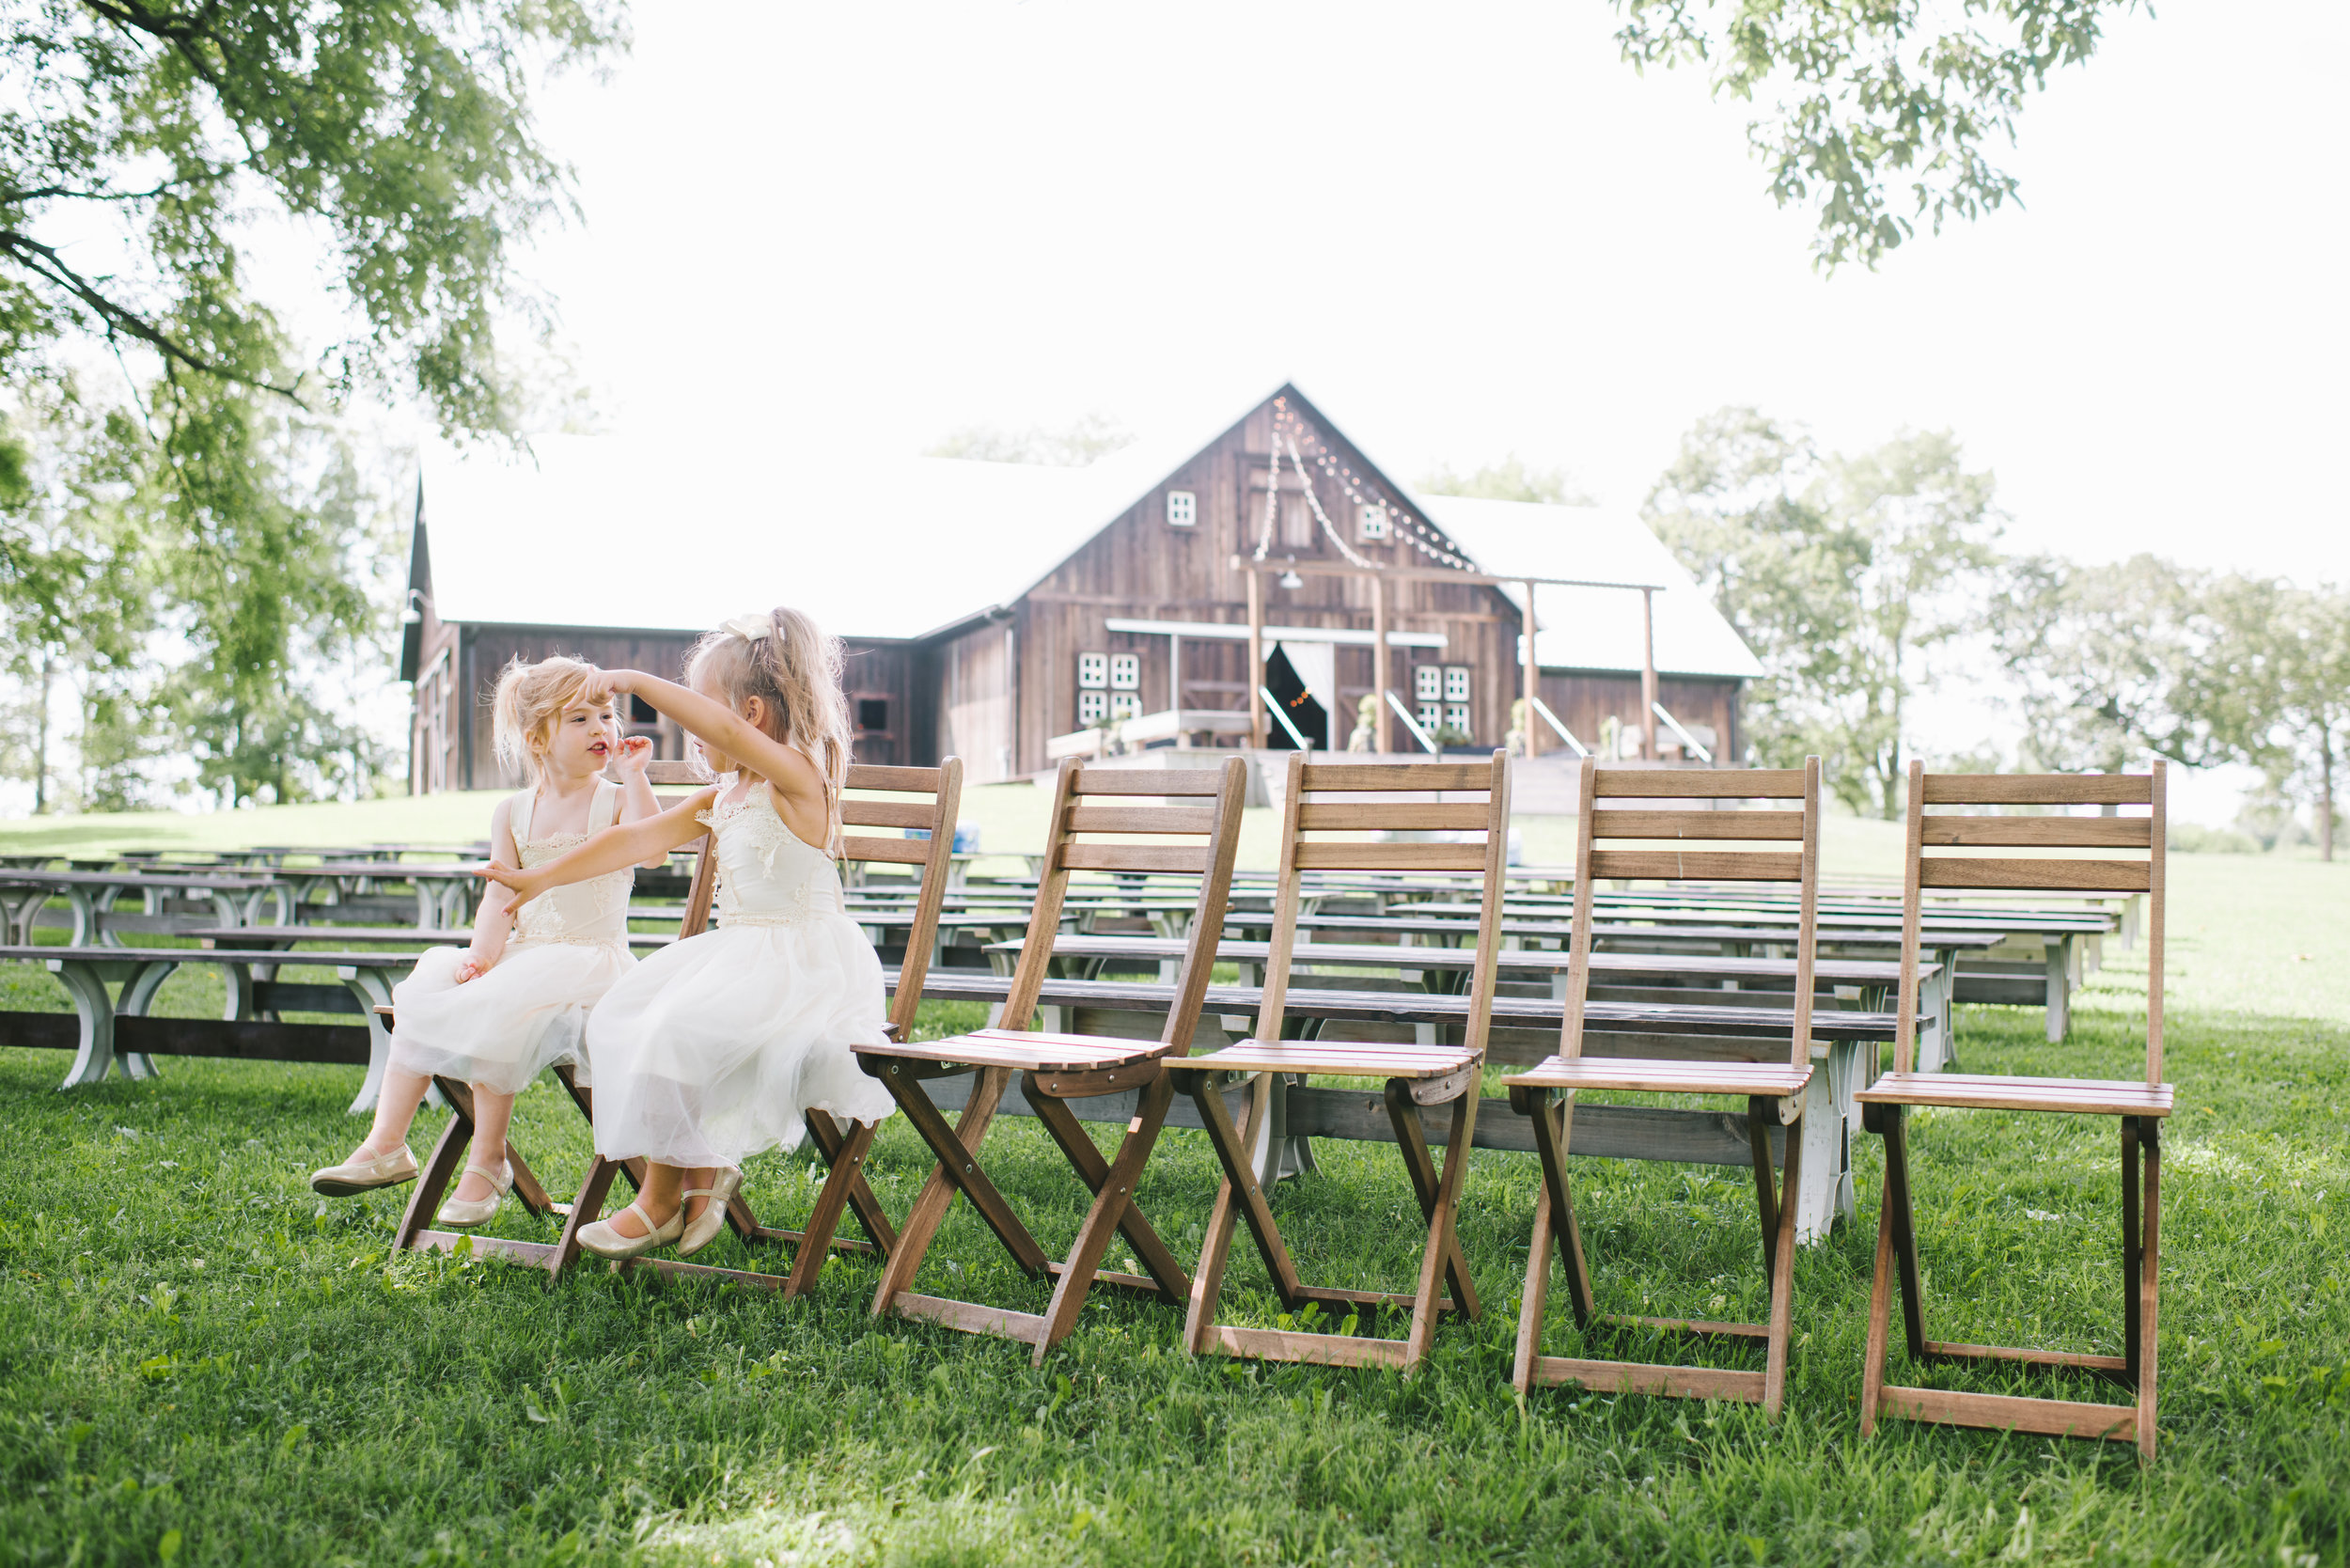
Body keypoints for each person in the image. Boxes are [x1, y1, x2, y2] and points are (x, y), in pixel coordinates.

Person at [478, 609, 893, 1262]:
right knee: (629, 1011)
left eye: (698, 712)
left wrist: (637, 680)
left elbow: (718, 728)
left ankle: (661, 1200)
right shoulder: (727, 794)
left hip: (804, 967)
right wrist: (540, 879)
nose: (696, 734)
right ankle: (693, 1176)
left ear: (750, 715)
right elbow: (632, 839)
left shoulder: (797, 777)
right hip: (741, 956)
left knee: (673, 1024)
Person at [310, 657, 664, 1223]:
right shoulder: (513, 811)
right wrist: (481, 955)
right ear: (538, 738)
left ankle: (487, 1159)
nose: (602, 729)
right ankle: (386, 1143)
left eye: (606, 714)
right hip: (530, 956)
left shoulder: (614, 800)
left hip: (593, 961)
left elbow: (653, 850)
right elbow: (499, 898)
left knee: (506, 998)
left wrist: (637, 776)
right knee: (431, 983)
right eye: (580, 719)